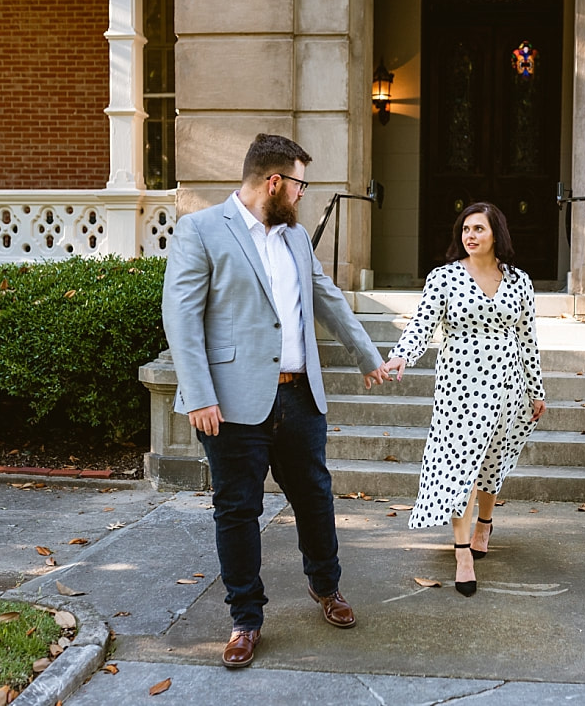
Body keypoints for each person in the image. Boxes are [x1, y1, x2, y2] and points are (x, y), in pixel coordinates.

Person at [162, 133, 390, 668]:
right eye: (300, 183)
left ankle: (326, 587)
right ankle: (246, 619)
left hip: (299, 396)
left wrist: (367, 357)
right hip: (231, 402)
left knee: (314, 495)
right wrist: (198, 393)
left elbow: (326, 296)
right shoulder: (200, 230)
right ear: (273, 182)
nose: (303, 194)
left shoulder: (295, 237)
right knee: (237, 509)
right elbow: (182, 316)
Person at [381, 202, 546, 596]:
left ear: (496, 235)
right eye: (465, 229)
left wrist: (536, 389)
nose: (470, 236)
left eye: (479, 229)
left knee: (492, 458)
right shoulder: (444, 278)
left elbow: (527, 338)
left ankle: (484, 525)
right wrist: (401, 355)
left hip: (507, 383)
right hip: (460, 386)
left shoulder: (520, 281)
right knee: (460, 466)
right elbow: (422, 324)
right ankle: (462, 554)